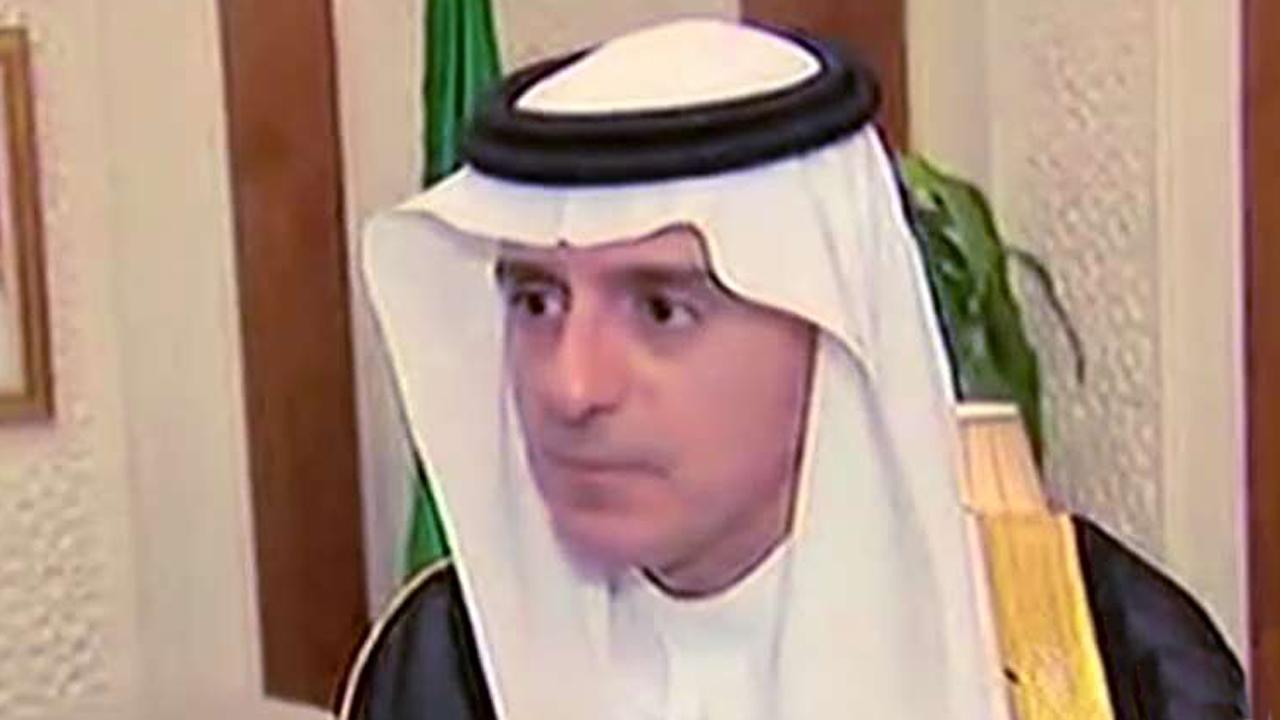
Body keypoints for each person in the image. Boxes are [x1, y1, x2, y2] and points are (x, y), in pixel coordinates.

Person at [339, 19, 1245, 720]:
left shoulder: (1102, 656)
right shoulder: (444, 665)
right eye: (536, 302)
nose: (571, 388)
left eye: (662, 309)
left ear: (830, 326)